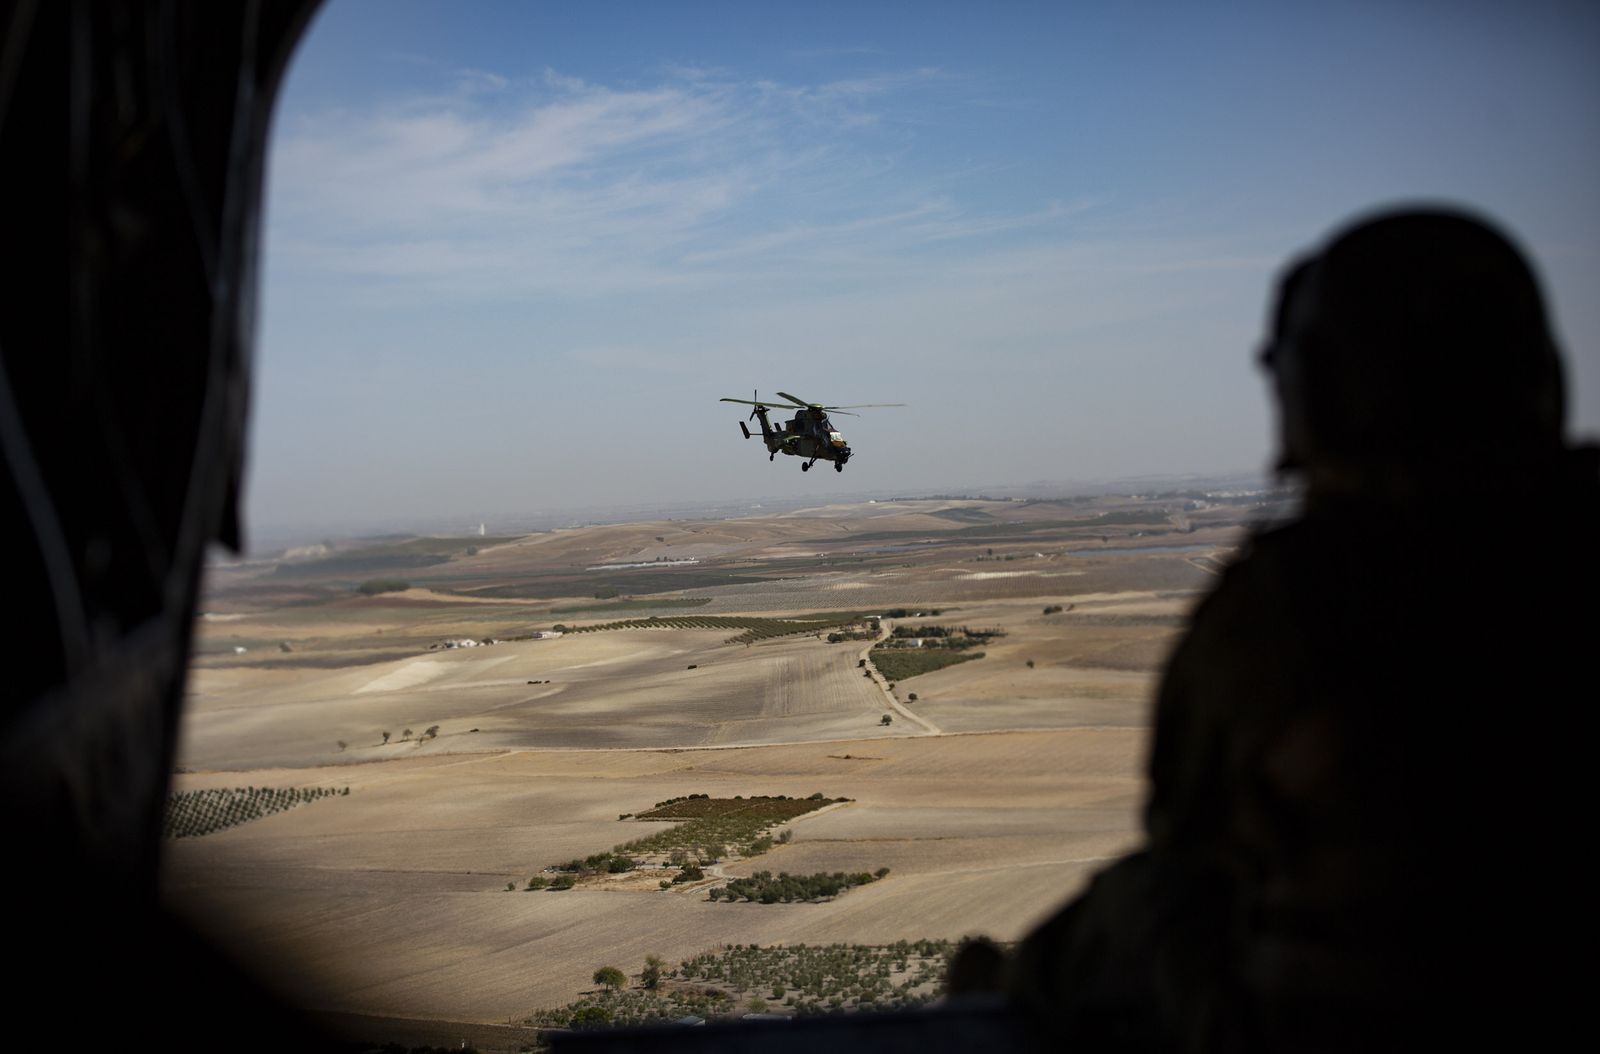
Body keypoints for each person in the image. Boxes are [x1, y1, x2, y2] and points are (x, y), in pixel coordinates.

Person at [1008, 208, 1598, 1051]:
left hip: (1354, 1021)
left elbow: (1187, 831)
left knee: (1137, 905)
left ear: (1315, 392)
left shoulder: (1294, 604)